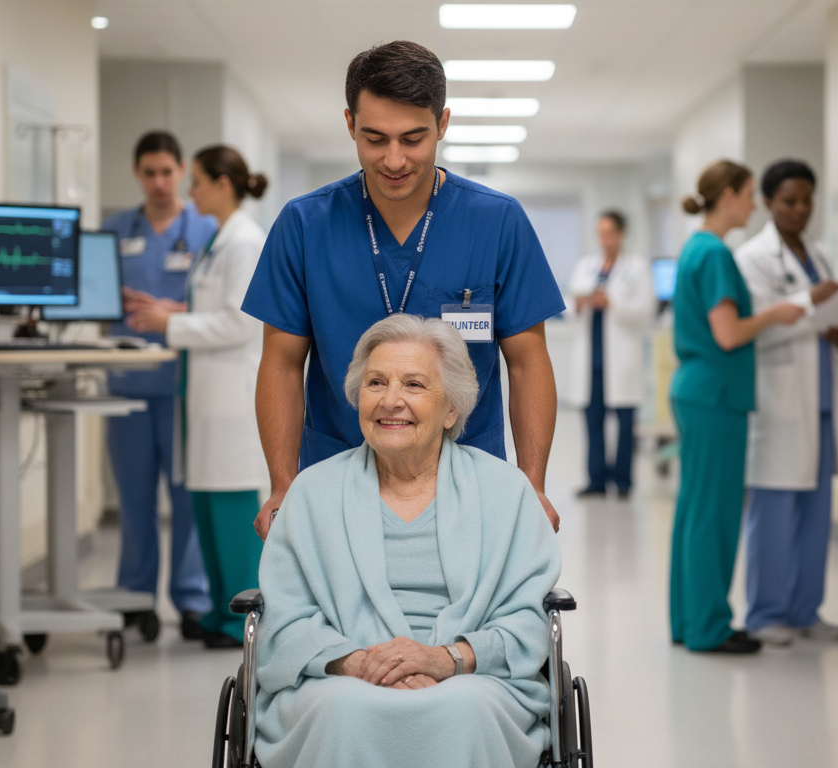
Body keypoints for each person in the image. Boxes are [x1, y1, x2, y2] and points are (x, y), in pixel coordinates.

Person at [241, 41, 564, 539]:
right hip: (337, 473)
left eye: (413, 138)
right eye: (374, 138)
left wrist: (532, 485)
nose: (394, 159)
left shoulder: (496, 221)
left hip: (469, 477)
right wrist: (284, 485)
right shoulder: (305, 225)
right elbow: (281, 363)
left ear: (443, 124)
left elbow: (527, 361)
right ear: (349, 125)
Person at [253, 314, 560, 768]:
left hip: (472, 676)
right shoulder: (311, 493)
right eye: (376, 382)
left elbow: (528, 623)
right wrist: (358, 663)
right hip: (341, 674)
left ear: (452, 408)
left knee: (464, 708)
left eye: (414, 385)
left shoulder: (505, 491)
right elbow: (284, 620)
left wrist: (446, 659)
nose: (391, 400)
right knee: (344, 709)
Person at [125, 144, 271, 649]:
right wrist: (174, 310)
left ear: (223, 185)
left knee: (230, 508)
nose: (191, 193)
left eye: (198, 182)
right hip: (206, 397)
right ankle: (216, 610)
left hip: (231, 399)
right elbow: (212, 303)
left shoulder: (244, 241)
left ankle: (240, 620)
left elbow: (239, 321)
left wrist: (172, 322)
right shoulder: (221, 241)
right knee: (206, 503)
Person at [669, 160, 805, 655]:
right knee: (714, 514)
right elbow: (728, 334)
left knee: (693, 510)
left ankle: (689, 620)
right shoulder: (717, 254)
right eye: (749, 194)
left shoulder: (694, 249)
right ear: (728, 195)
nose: (753, 204)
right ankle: (710, 628)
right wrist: (774, 314)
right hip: (716, 395)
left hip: (698, 390)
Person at [733, 160, 838, 646]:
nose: (800, 209)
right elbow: (758, 332)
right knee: (774, 509)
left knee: (816, 509)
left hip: (823, 399)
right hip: (781, 401)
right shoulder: (751, 259)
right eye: (789, 200)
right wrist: (814, 303)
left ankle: (806, 609)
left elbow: (825, 319)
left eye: (807, 200)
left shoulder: (820, 255)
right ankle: (765, 613)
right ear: (767, 203)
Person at [102, 130, 217, 638]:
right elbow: (100, 302)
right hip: (127, 383)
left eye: (167, 172)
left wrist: (167, 312)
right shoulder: (113, 231)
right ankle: (134, 596)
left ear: (181, 170)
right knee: (134, 498)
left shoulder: (208, 230)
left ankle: (191, 598)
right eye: (149, 173)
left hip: (181, 385)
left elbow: (223, 306)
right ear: (136, 174)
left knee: (186, 497)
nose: (159, 183)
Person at [566, 210, 653, 499]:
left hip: (622, 360)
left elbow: (645, 311)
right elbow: (568, 306)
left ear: (621, 233)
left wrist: (611, 302)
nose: (604, 239)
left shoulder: (637, 266)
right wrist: (580, 304)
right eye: (600, 233)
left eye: (609, 233)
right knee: (593, 421)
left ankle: (624, 482)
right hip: (591, 360)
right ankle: (596, 481)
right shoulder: (586, 265)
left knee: (625, 424)